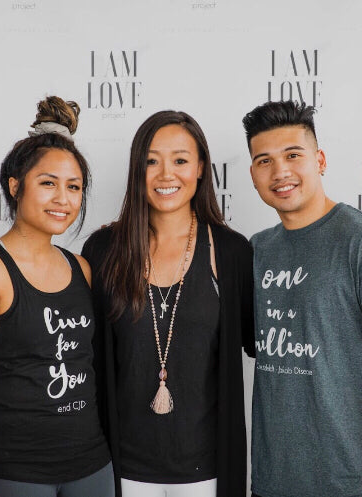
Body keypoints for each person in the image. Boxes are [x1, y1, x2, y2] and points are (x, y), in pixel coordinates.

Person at [242, 101, 362, 497]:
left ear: (320, 160)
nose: (280, 172)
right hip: (272, 482)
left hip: (349, 481)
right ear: (253, 175)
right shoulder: (256, 250)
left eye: (293, 155)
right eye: (264, 161)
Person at [82, 110, 255, 497]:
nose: (166, 174)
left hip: (206, 470)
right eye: (151, 161)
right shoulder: (102, 249)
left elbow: (262, 345)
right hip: (120, 467)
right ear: (136, 169)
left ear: (200, 168)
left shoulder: (232, 252)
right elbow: (86, 359)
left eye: (180, 160)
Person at [0, 96, 114, 497]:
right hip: (18, 473)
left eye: (73, 187)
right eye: (48, 184)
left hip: (92, 466)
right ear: (15, 186)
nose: (63, 198)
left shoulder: (82, 268)